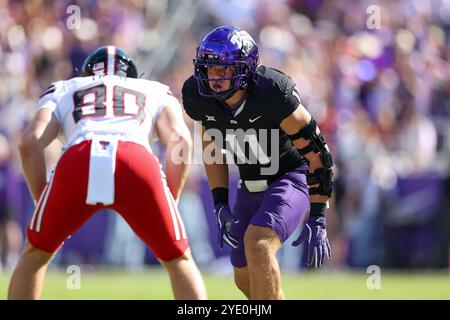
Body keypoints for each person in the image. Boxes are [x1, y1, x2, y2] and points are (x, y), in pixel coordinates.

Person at [8, 46, 207, 300]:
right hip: (135, 160)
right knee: (179, 258)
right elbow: (181, 141)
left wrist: (43, 201)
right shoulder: (154, 90)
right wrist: (171, 197)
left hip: (80, 157)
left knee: (35, 254)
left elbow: (29, 143)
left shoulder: (66, 87)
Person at [182, 26, 333, 299]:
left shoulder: (272, 93)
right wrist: (219, 204)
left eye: (225, 70)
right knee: (245, 278)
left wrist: (318, 214)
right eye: (209, 68)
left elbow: (317, 153)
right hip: (249, 185)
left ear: (245, 69)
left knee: (259, 244)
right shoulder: (198, 97)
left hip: (290, 176)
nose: (214, 77)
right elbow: (212, 149)